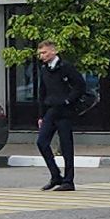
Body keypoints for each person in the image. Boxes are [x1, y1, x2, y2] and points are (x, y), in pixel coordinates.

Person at [35, 39, 86, 192]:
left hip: (64, 111)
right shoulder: (44, 69)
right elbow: (42, 92)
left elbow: (80, 86)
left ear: (53, 51)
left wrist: (67, 101)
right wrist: (41, 115)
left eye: (44, 52)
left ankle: (69, 181)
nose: (42, 56)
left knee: (66, 146)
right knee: (41, 142)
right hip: (50, 111)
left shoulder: (66, 67)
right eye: (40, 53)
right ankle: (55, 175)